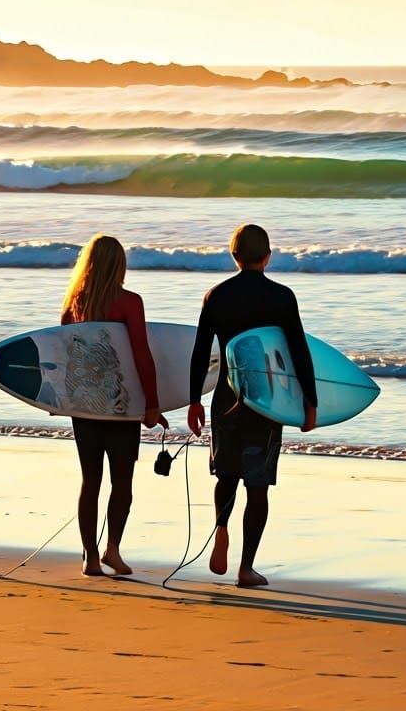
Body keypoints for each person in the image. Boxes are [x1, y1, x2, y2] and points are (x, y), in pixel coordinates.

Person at [188, 224, 317, 588]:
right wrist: (310, 402)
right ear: (267, 257)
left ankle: (221, 528)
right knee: (257, 485)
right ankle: (246, 568)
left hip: (226, 398)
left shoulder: (216, 296)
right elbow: (299, 351)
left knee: (226, 475)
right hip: (266, 401)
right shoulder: (281, 297)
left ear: (235, 257)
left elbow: (201, 352)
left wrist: (194, 400)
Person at [61, 234, 167, 577]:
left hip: (84, 406)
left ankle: (90, 556)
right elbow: (141, 354)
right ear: (119, 265)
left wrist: (60, 401)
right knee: (122, 481)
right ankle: (112, 550)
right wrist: (152, 404)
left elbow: (64, 357)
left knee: (90, 480)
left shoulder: (74, 303)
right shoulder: (129, 302)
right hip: (121, 404)